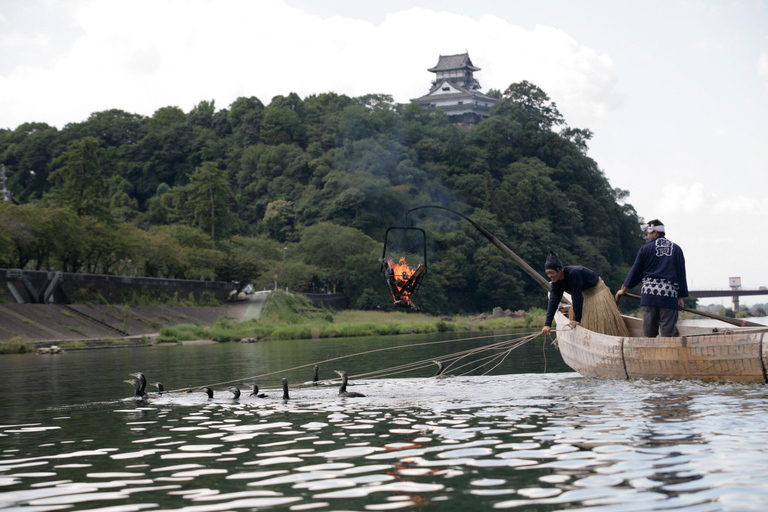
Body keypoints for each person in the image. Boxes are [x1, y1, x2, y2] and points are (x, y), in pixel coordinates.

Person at [615, 219, 688, 337]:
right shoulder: (677, 249)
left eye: (648, 233)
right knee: (668, 334)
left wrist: (623, 290)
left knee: (649, 333)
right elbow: (681, 275)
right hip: (669, 296)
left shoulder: (645, 249)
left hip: (649, 296)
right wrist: (680, 297)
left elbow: (636, 271)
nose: (647, 236)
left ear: (655, 232)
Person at [541, 251, 628, 337]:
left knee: (602, 323)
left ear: (559, 270)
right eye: (547, 273)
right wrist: (547, 324)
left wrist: (577, 319)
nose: (550, 276)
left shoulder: (574, 273)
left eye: (551, 273)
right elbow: (553, 301)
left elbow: (576, 296)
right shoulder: (556, 282)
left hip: (597, 292)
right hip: (585, 294)